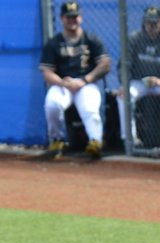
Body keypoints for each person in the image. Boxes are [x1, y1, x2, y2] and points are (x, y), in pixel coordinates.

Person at [39, 1, 112, 160]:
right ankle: (57, 140)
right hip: (63, 84)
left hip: (86, 84)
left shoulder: (91, 39)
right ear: (61, 19)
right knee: (52, 104)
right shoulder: (54, 43)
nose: (72, 20)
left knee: (90, 109)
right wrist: (62, 83)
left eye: (75, 17)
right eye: (68, 17)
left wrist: (85, 80)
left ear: (81, 18)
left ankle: (95, 142)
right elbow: (47, 72)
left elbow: (105, 64)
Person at [116, 7, 160, 147]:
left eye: (154, 23)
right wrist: (124, 84)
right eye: (148, 23)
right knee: (124, 96)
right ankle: (130, 138)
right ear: (143, 23)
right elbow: (124, 65)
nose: (151, 27)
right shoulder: (135, 39)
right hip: (139, 82)